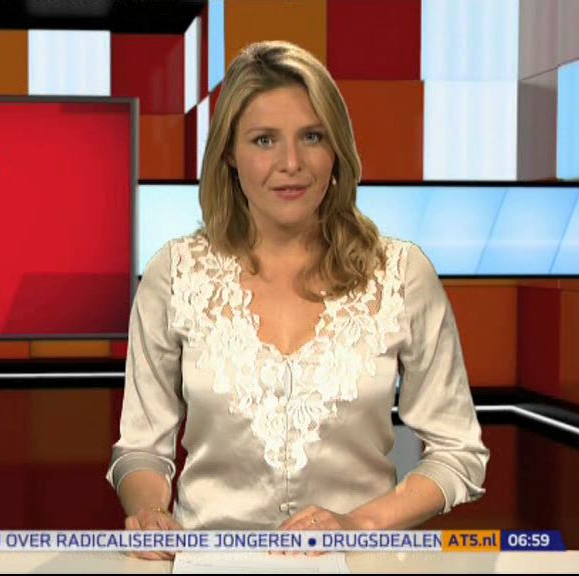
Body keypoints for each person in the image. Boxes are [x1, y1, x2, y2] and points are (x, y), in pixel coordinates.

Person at [107, 40, 489, 560]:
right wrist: (151, 510)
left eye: (312, 136)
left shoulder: (401, 275)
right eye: (264, 140)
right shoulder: (174, 275)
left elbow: (458, 453)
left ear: (337, 150)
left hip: (359, 565)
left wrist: (358, 524)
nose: (291, 163)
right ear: (229, 156)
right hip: (211, 563)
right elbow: (140, 448)